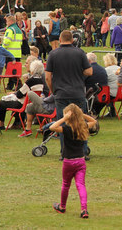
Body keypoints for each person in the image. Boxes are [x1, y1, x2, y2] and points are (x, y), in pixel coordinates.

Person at [46, 30, 93, 158]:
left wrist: (53, 90)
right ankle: (82, 151)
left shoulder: (53, 54)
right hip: (77, 92)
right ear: (73, 40)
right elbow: (89, 72)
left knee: (62, 122)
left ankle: (64, 152)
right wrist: (78, 73)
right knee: (81, 122)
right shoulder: (80, 53)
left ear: (60, 40)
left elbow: (48, 77)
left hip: (61, 93)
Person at [50, 104, 96, 219]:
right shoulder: (83, 127)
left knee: (66, 184)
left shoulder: (66, 129)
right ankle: (84, 209)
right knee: (81, 185)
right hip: (81, 161)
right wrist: (81, 114)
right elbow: (93, 121)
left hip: (68, 161)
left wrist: (64, 118)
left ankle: (62, 206)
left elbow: (52, 127)